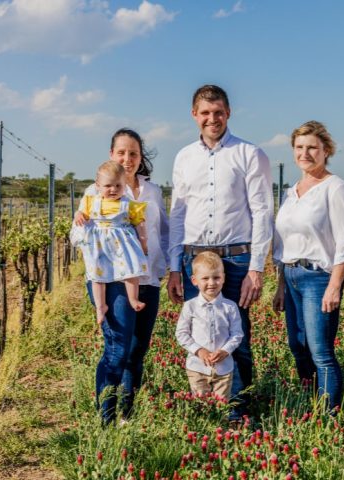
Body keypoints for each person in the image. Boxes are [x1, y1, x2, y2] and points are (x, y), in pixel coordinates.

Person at [168, 85, 273, 420]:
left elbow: (262, 212)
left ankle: (237, 409)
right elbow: (178, 214)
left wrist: (256, 268)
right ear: (194, 115)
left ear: (228, 113)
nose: (211, 119)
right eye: (205, 113)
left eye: (218, 112)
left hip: (237, 258)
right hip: (194, 257)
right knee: (199, 331)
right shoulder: (184, 157)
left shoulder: (249, 154)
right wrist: (173, 267)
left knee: (236, 332)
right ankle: (207, 407)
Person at [75, 128, 169, 423]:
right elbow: (76, 234)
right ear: (111, 154)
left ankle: (127, 412)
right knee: (117, 347)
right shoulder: (95, 191)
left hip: (147, 278)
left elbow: (162, 231)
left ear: (141, 158)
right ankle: (106, 415)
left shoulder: (152, 191)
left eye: (133, 153)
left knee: (137, 350)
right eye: (121, 152)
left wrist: (165, 266)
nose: (127, 159)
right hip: (112, 279)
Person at [272, 121, 344, 411]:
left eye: (312, 147)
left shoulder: (335, 189)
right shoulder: (290, 191)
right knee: (297, 346)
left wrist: (335, 285)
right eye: (299, 147)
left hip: (319, 277)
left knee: (320, 351)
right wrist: (281, 285)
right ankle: (310, 401)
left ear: (326, 150)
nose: (305, 153)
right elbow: (284, 242)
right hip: (292, 274)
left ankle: (329, 413)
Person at [73, 160, 148, 325]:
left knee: (131, 272)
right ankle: (101, 306)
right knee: (97, 276)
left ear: (124, 185)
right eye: (108, 186)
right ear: (97, 186)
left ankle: (133, 299)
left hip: (122, 245)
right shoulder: (91, 201)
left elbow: (140, 223)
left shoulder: (129, 205)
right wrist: (78, 214)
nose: (113, 189)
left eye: (118, 185)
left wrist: (143, 241)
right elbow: (82, 213)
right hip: (99, 246)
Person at [176, 252, 244, 399]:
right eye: (205, 278)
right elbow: (181, 333)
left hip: (224, 367)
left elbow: (237, 334)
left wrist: (225, 351)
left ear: (224, 278)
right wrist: (199, 351)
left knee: (221, 406)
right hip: (197, 367)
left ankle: (223, 422)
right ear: (194, 280)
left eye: (216, 277)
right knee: (201, 406)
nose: (211, 283)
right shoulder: (190, 306)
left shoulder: (230, 307)